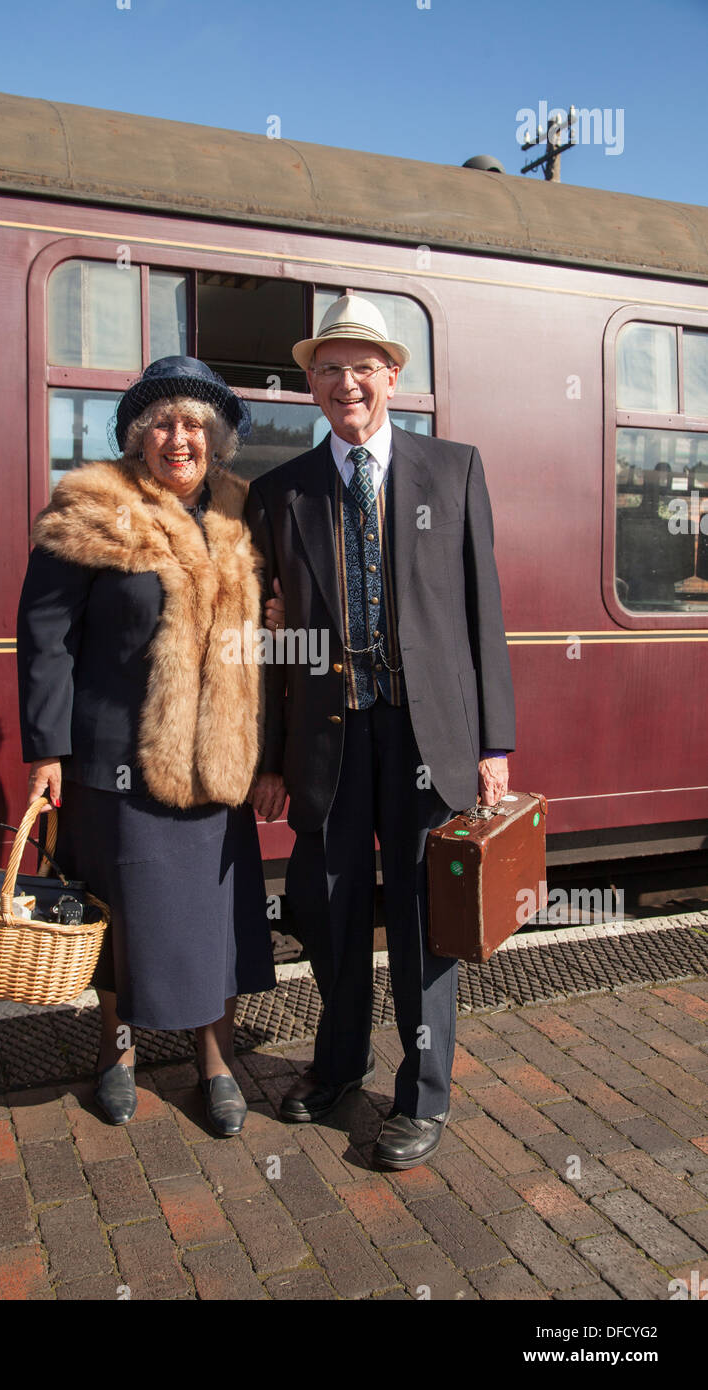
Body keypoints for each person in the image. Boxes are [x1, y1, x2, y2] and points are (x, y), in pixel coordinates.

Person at [247, 295, 515, 1169]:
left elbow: (484, 616)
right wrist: (270, 757)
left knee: (422, 920)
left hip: (425, 736)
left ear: (393, 377)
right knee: (327, 913)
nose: (347, 383)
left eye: (364, 366)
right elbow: (272, 644)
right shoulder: (280, 493)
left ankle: (423, 1093)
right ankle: (339, 1064)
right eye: (329, 369)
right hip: (326, 738)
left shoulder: (454, 469)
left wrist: (494, 745)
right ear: (311, 386)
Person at [17, 356, 275, 1136]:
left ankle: (216, 1062)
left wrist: (275, 755)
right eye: (162, 421)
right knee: (119, 916)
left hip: (217, 759)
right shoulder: (92, 507)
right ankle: (117, 1054)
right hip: (116, 760)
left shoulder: (239, 514)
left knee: (213, 920)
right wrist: (46, 751)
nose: (178, 437)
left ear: (217, 439)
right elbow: (44, 637)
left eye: (195, 424)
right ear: (137, 435)